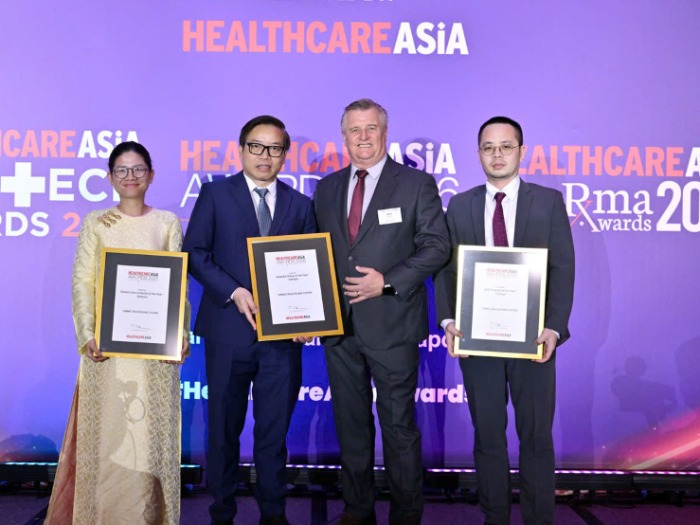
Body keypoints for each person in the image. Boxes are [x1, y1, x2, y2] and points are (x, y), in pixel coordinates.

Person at [313, 98, 450, 525]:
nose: (363, 137)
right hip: (339, 328)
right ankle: (357, 511)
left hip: (392, 325)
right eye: (354, 129)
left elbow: (437, 246)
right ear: (344, 136)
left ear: (384, 133)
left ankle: (406, 516)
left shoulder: (415, 184)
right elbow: (315, 254)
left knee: (398, 429)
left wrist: (386, 281)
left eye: (370, 128)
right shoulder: (327, 188)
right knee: (351, 428)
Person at [434, 116, 575, 525]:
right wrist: (448, 320)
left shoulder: (548, 202)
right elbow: (447, 269)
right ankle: (494, 517)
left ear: (521, 151)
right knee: (488, 437)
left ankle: (538, 519)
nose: (497, 155)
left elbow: (563, 268)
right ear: (478, 153)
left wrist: (554, 328)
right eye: (488, 147)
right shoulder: (460, 204)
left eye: (506, 146)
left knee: (536, 437)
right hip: (477, 340)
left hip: (534, 341)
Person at [45, 141, 189, 525]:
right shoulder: (97, 222)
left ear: (151, 175)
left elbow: (177, 288)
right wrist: (87, 333)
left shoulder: (167, 223)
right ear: (110, 178)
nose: (130, 177)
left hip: (154, 356)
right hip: (106, 354)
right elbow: (82, 281)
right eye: (121, 170)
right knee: (110, 441)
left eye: (138, 169)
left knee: (148, 443)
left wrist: (180, 334)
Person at [183, 115, 316, 525]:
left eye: (274, 148)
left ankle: (273, 514)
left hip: (282, 340)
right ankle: (222, 512)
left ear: (285, 155)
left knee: (273, 434)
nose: (265, 155)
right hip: (227, 331)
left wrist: (308, 316)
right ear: (241, 150)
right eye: (256, 146)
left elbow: (310, 266)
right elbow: (195, 254)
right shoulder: (215, 194)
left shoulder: (301, 204)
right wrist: (233, 291)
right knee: (223, 430)